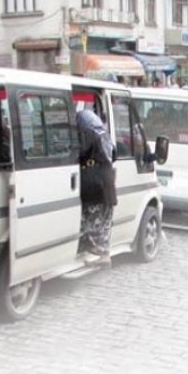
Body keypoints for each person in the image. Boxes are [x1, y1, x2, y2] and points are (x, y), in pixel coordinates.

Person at [77, 109, 117, 267]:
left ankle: (99, 253)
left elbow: (80, 153)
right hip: (107, 183)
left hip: (94, 185)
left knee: (89, 220)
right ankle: (104, 253)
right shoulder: (104, 134)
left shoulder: (88, 134)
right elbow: (115, 154)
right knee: (104, 221)